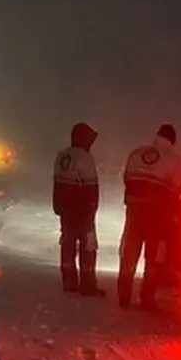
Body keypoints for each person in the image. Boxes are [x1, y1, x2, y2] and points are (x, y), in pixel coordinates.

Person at [117, 123, 181, 309]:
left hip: (134, 210)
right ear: (172, 141)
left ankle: (124, 295)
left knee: (129, 252)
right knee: (154, 256)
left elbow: (127, 178)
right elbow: (177, 189)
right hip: (157, 214)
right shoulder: (174, 160)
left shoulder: (136, 153)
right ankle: (147, 297)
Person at [52, 121, 106, 296]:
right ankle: (87, 284)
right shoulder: (85, 158)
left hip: (65, 209)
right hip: (82, 210)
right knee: (88, 247)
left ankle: (69, 281)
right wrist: (92, 210)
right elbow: (91, 188)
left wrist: (57, 205)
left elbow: (57, 184)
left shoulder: (62, 156)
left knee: (67, 244)